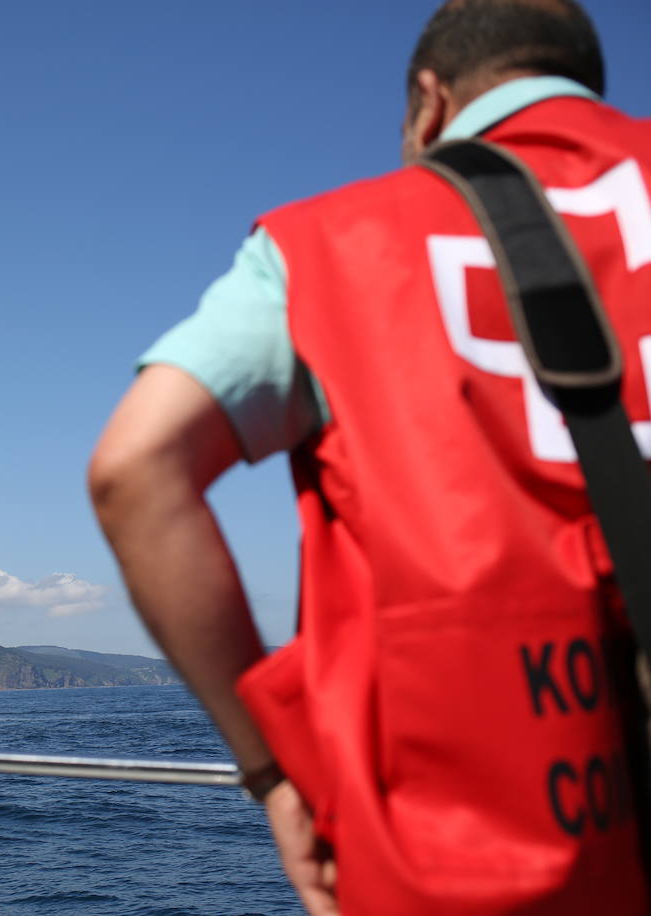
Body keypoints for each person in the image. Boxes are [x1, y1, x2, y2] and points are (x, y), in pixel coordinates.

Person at [88, 1, 651, 913]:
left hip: (466, 863)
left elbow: (134, 468)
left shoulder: (331, 245)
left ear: (429, 103)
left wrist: (275, 774)